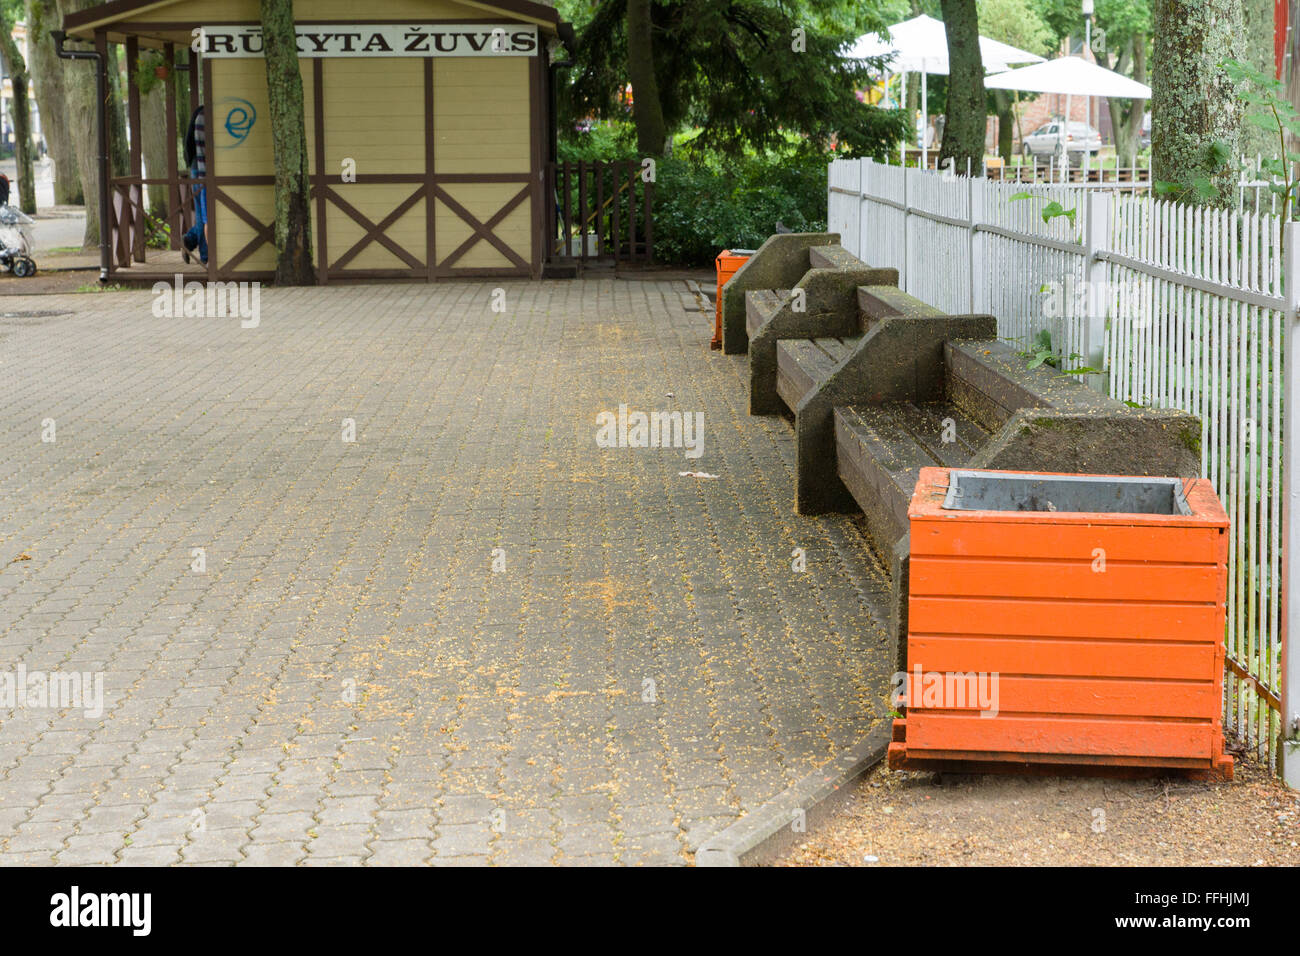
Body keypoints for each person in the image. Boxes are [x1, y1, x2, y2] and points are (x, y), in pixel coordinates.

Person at [182, 105, 207, 265]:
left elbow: (188, 145)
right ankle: (205, 255)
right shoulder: (206, 116)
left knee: (201, 216)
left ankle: (191, 240)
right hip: (204, 172)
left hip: (194, 169)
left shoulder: (198, 113)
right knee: (206, 218)